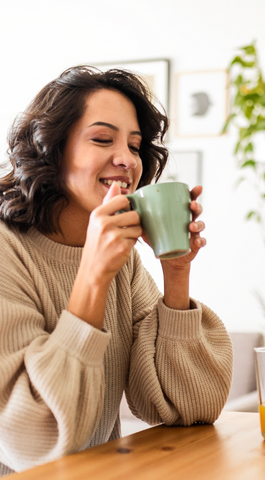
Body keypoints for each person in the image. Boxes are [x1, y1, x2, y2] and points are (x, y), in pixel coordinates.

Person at [0, 66, 233, 475]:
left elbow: (189, 406)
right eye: (102, 139)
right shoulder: (8, 250)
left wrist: (175, 273)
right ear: (51, 149)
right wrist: (92, 275)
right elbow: (31, 441)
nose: (127, 159)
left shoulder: (123, 261)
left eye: (136, 145)